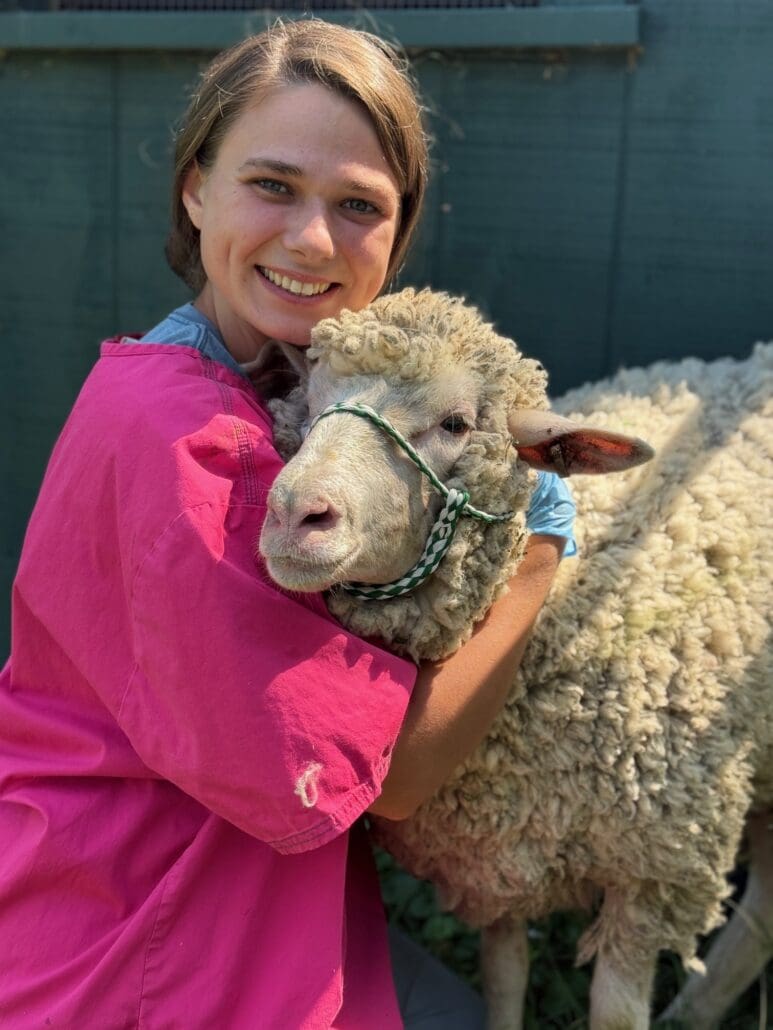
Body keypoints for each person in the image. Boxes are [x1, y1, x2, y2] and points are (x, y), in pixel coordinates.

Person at [0, 19, 575, 1029]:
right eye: (271, 184)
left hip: (237, 934)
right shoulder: (178, 433)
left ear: (395, 237)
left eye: (357, 205)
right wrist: (532, 548)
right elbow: (389, 782)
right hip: (143, 959)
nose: (311, 238)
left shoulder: (288, 402)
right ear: (195, 188)